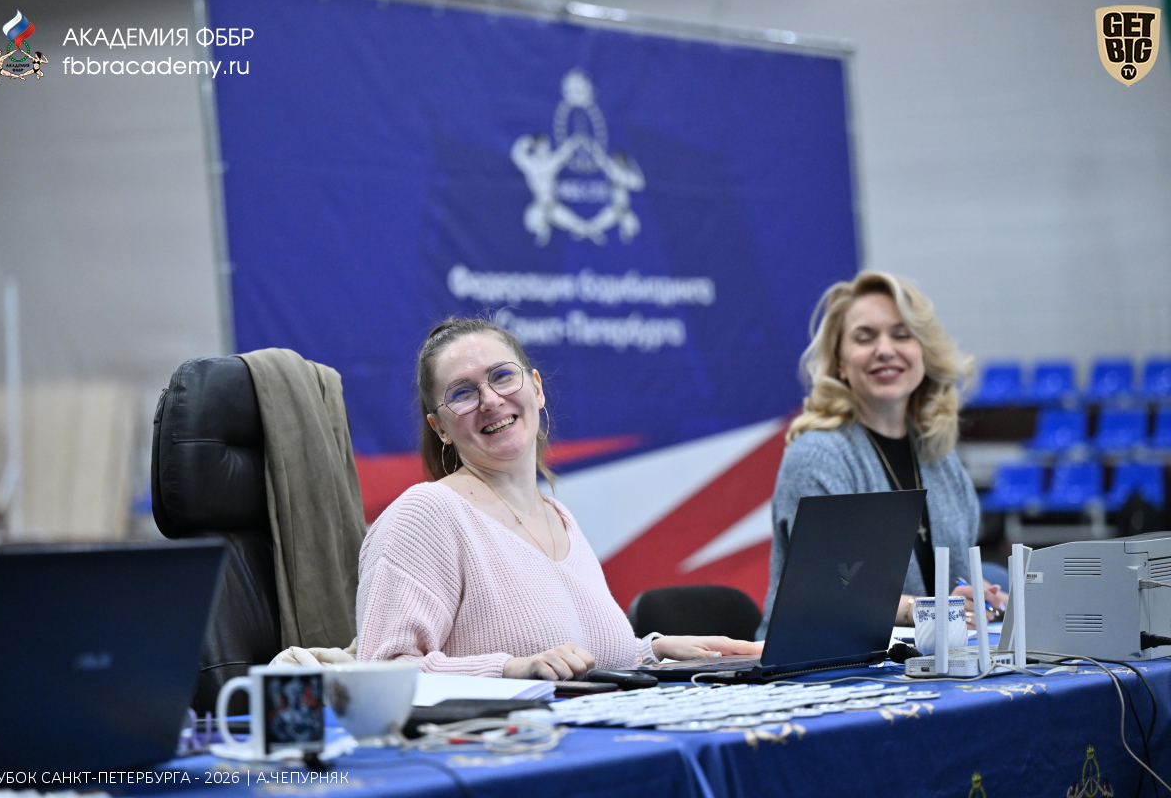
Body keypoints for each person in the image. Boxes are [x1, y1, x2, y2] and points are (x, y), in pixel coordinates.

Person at [355, 317, 761, 680]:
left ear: (536, 388)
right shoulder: (425, 515)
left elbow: (574, 659)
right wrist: (511, 669)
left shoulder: (559, 516)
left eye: (502, 376)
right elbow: (381, 672)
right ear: (440, 427)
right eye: (462, 393)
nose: (491, 400)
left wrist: (652, 651)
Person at [757, 272, 1007, 640]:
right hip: (822, 662)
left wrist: (980, 598)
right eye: (865, 337)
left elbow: (955, 580)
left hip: (925, 659)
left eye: (902, 335)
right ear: (839, 362)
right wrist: (929, 610)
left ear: (924, 352)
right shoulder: (816, 456)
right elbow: (831, 592)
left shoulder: (939, 455)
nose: (885, 349)